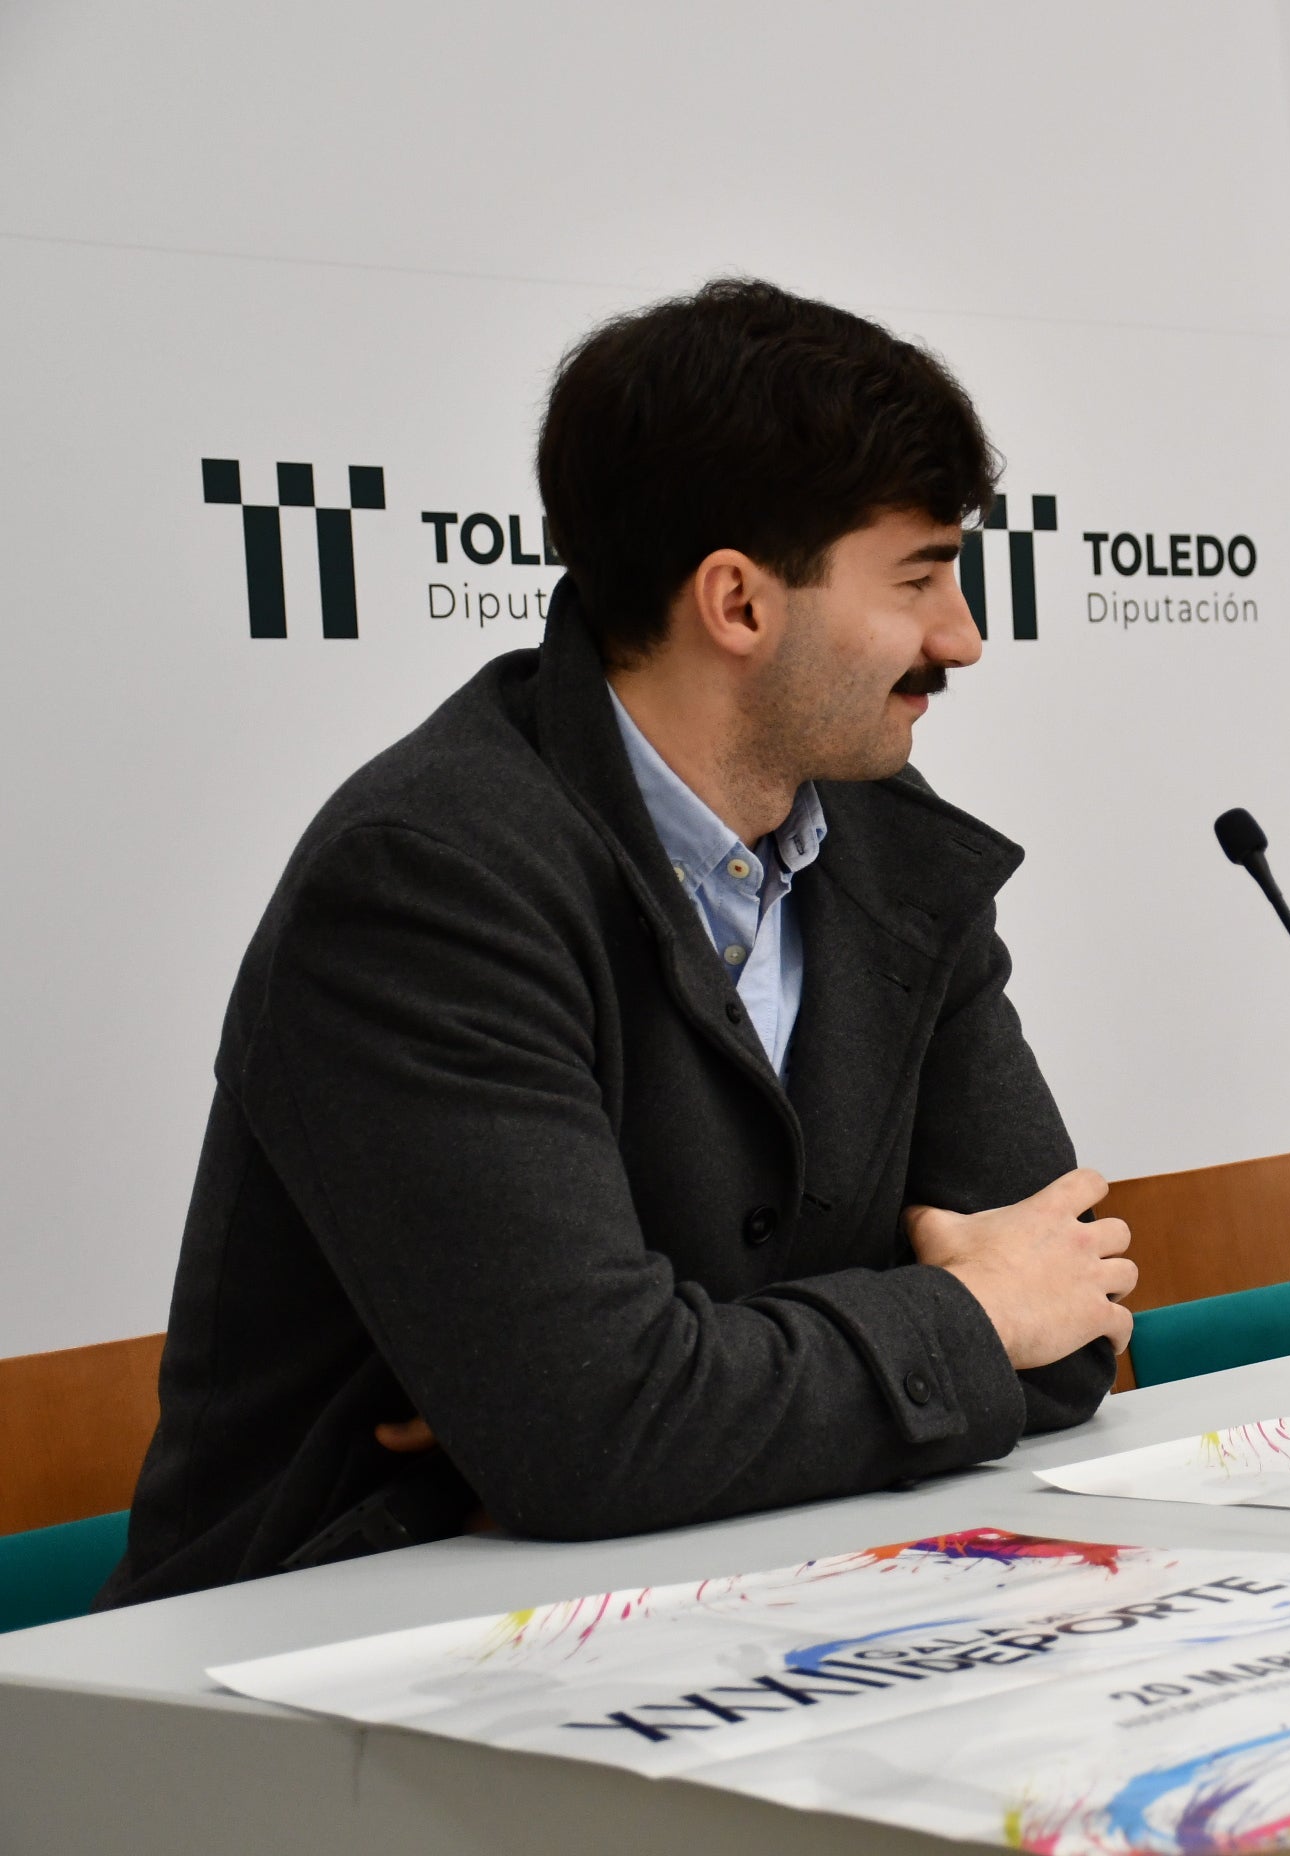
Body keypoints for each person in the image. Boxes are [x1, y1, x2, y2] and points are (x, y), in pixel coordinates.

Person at [103, 281, 1133, 1605]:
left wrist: (681, 1392)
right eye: (922, 578)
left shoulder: (888, 842)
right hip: (324, 1664)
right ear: (739, 604)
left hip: (741, 1600)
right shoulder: (428, 880)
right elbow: (598, 1432)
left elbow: (1070, 1332)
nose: (964, 638)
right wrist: (964, 1319)